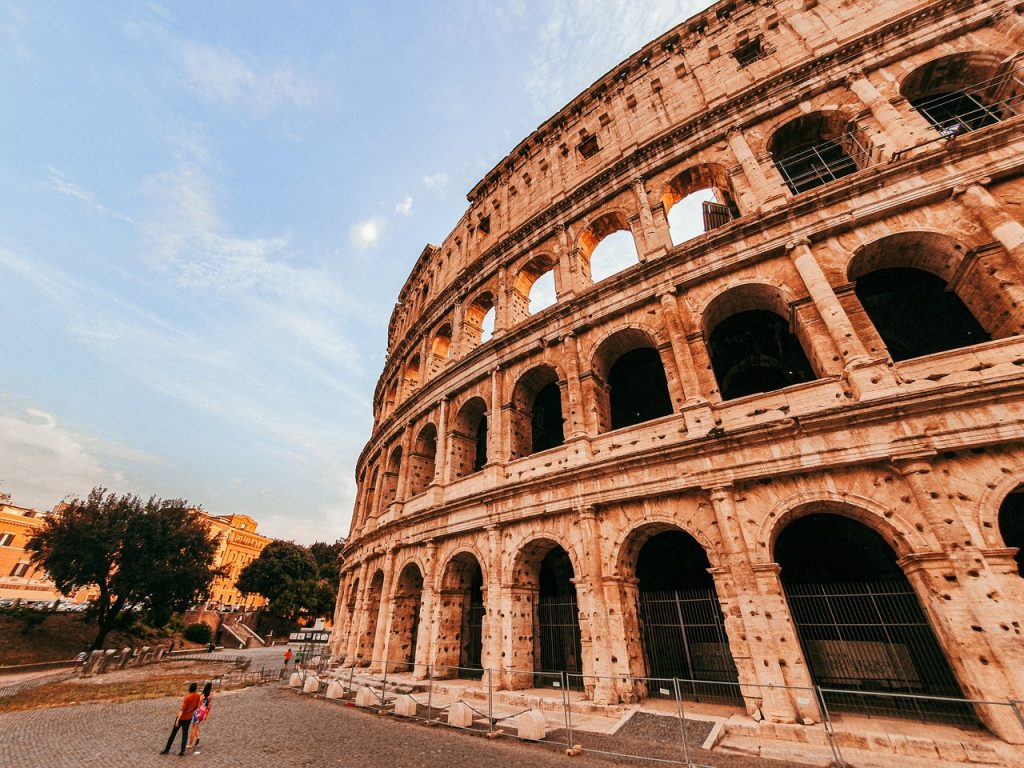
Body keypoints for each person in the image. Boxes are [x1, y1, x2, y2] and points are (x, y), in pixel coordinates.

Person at [161, 682, 201, 756]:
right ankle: (182, 751)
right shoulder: (198, 696)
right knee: (185, 734)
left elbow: (182, 710)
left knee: (173, 734)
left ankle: (167, 749)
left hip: (182, 718)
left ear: (190, 688)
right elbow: (197, 707)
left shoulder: (187, 697)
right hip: (189, 718)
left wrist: (177, 720)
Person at [187, 682, 213, 753]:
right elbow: (209, 705)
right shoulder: (211, 695)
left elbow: (198, 705)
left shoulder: (202, 695)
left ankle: (190, 744)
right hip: (204, 712)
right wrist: (206, 714)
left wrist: (194, 710)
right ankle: (198, 737)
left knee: (193, 728)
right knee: (196, 726)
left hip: (198, 713)